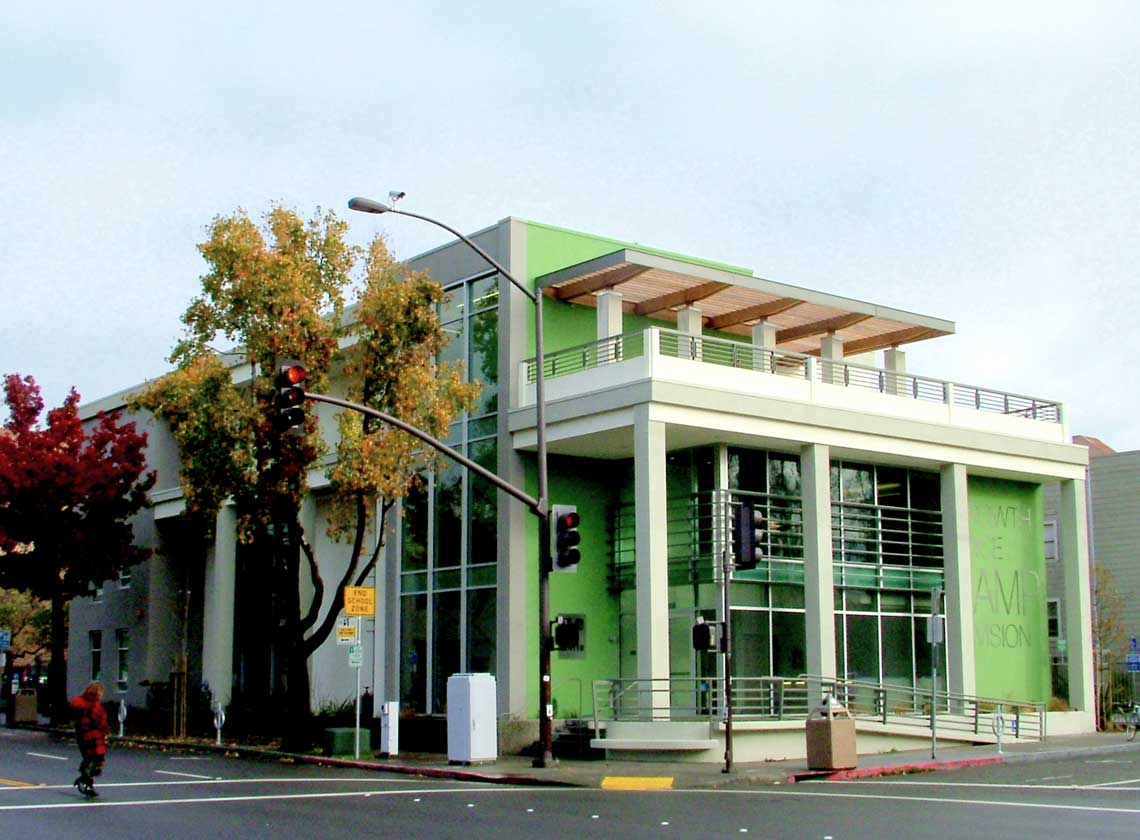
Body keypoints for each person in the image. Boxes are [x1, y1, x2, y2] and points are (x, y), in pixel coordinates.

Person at [70, 681, 111, 797]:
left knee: (90, 760)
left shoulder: (79, 703)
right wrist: (106, 732)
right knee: (95, 760)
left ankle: (86, 781)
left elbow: (75, 718)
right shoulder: (95, 707)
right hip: (93, 737)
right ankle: (86, 781)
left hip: (86, 736)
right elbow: (101, 722)